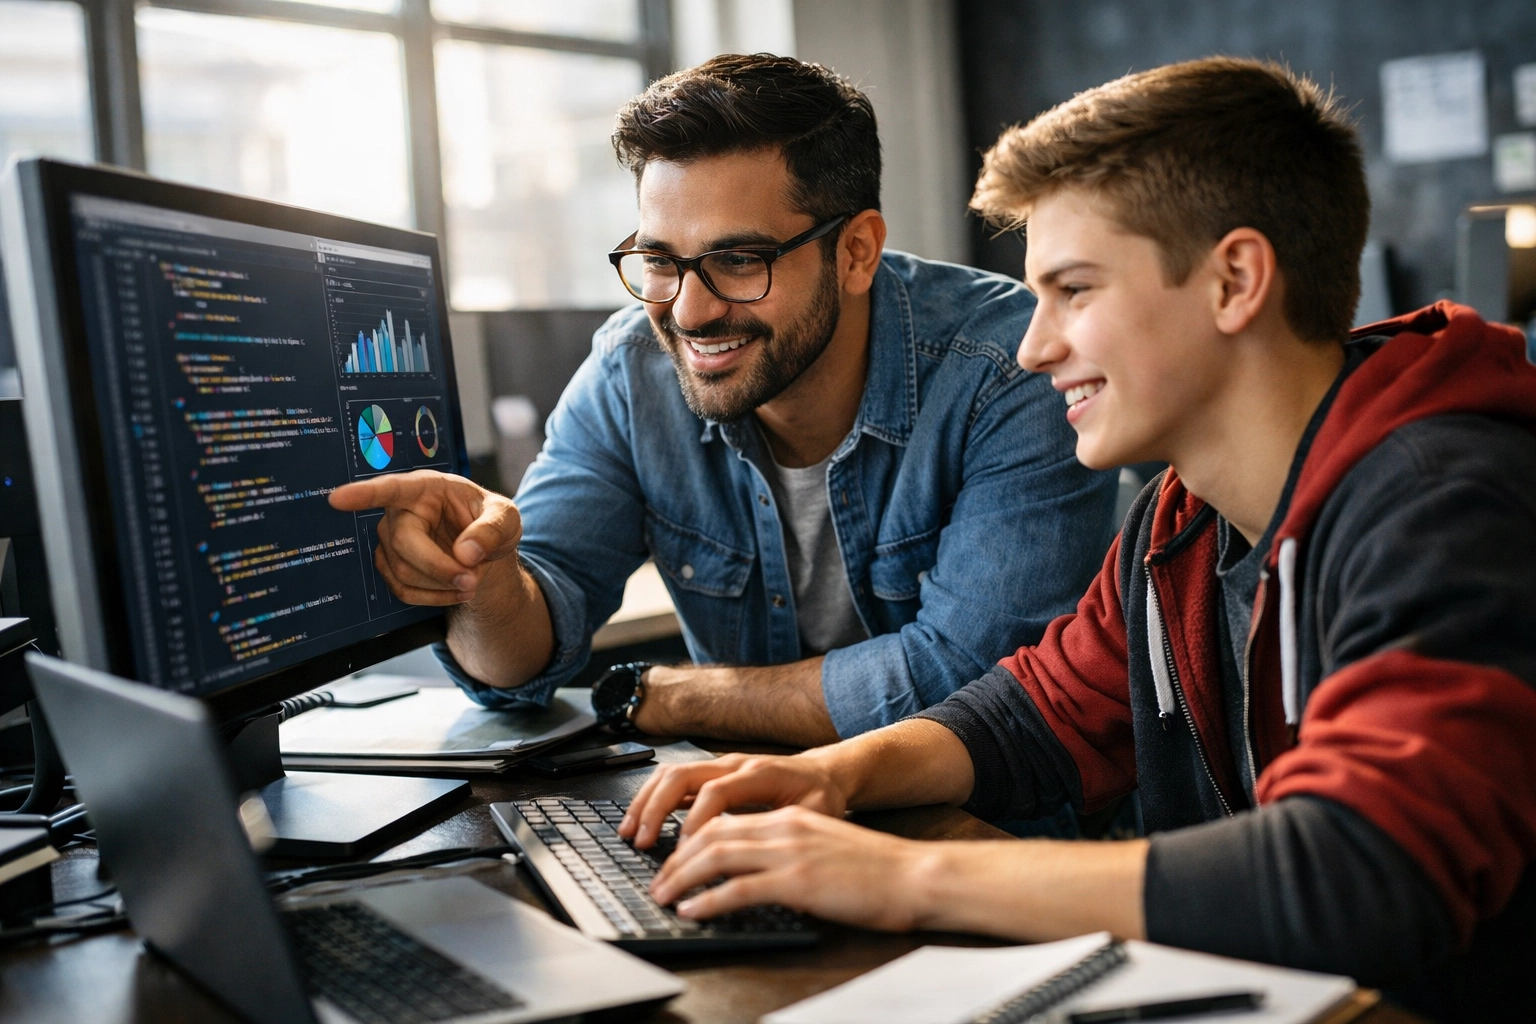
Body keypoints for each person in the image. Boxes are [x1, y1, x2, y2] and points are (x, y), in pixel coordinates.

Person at [616, 57, 1536, 1019]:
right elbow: (1038, 713)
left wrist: (899, 877)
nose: (1032, 345)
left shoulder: (1442, 503)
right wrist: (823, 778)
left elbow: (1359, 869)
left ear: (1234, 280)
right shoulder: (1180, 520)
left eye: (1076, 291)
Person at [329, 55, 1117, 747]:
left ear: (856, 251)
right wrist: (486, 578)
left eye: (739, 260)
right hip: (735, 826)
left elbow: (970, 685)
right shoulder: (631, 370)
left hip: (972, 844)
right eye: (658, 261)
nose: (688, 311)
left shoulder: (1010, 366)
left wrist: (668, 697)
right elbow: (520, 660)